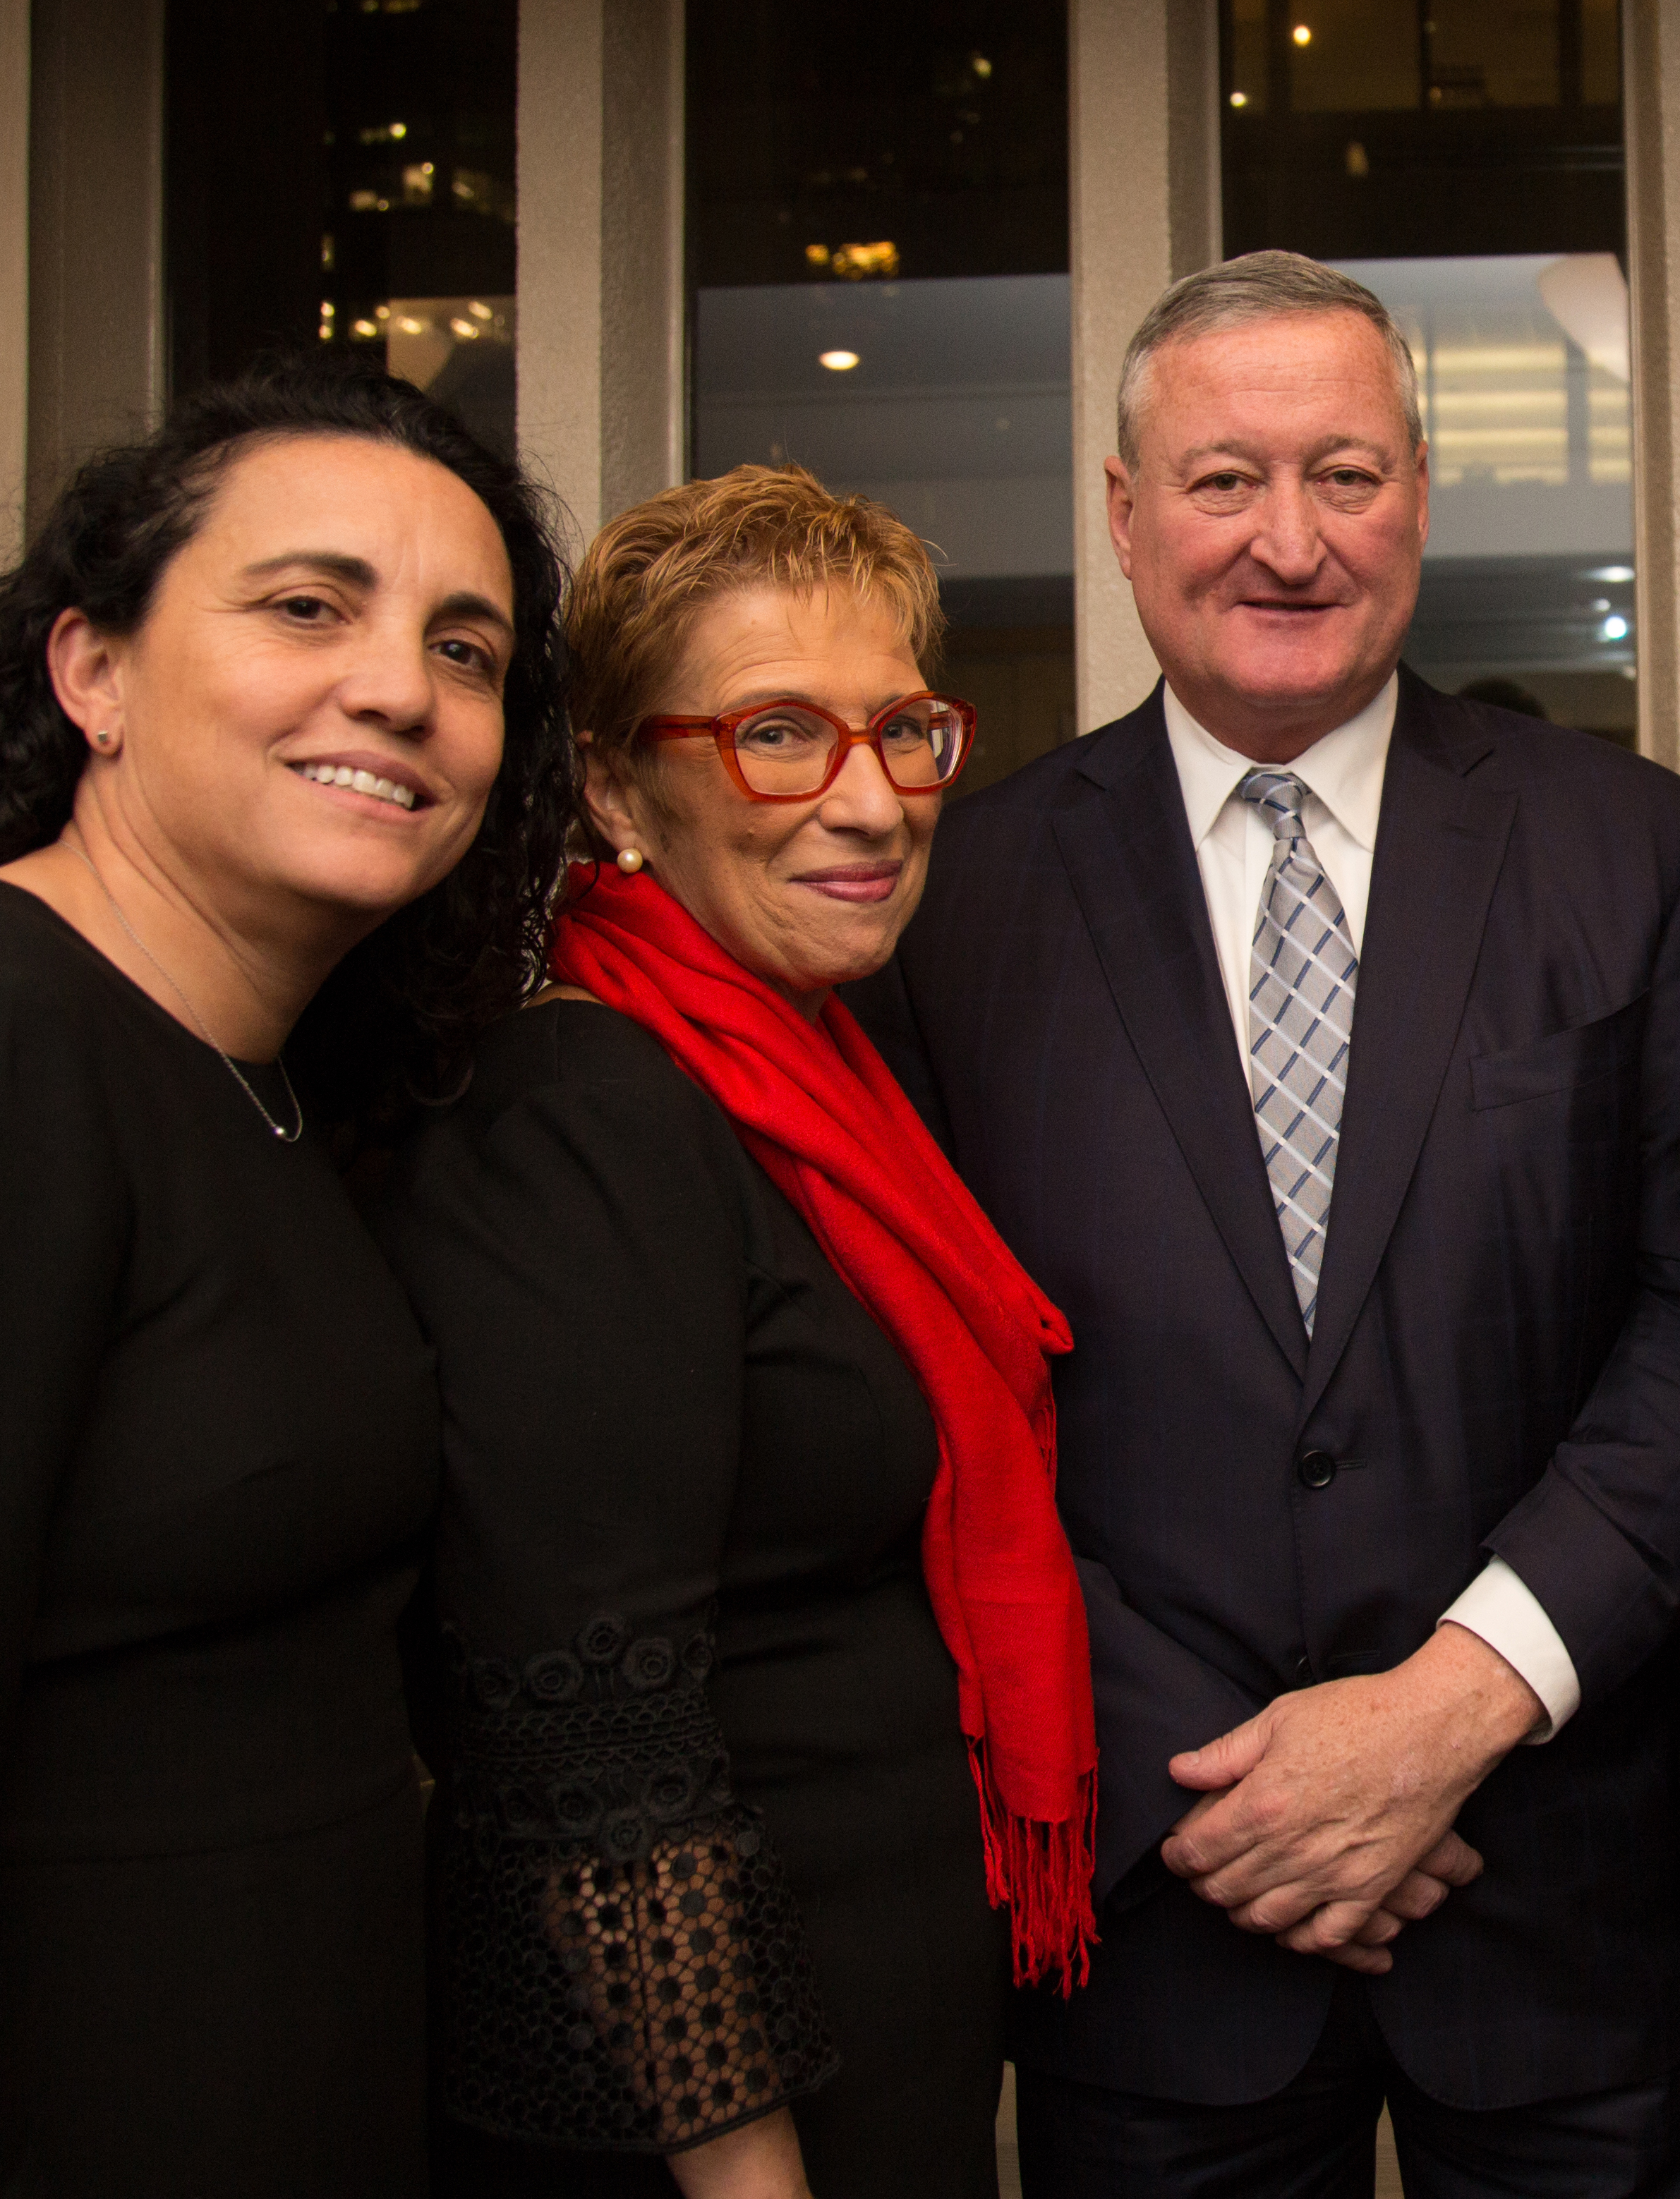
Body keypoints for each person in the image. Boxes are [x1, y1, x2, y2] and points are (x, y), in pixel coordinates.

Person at [855, 253, 1680, 2196]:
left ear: (1423, 493)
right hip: (1165, 1900)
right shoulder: (957, 898)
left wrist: (1448, 1710)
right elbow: (938, 1394)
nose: (1287, 539)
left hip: (1548, 1885)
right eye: (1221, 477)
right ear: (1119, 511)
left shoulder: (1641, 851)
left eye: (1345, 474)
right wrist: (1227, 1780)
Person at [0, 362, 578, 2195]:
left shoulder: (273, 1087)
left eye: (467, 650)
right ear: (93, 673)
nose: (399, 686)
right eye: (308, 605)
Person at [372, 467, 1085, 2198]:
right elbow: (587, 1739)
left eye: (904, 730)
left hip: (878, 2024)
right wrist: (744, 2166)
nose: (869, 804)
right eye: (778, 734)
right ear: (617, 784)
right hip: (724, 2104)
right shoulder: (580, 1107)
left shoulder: (817, 1063)